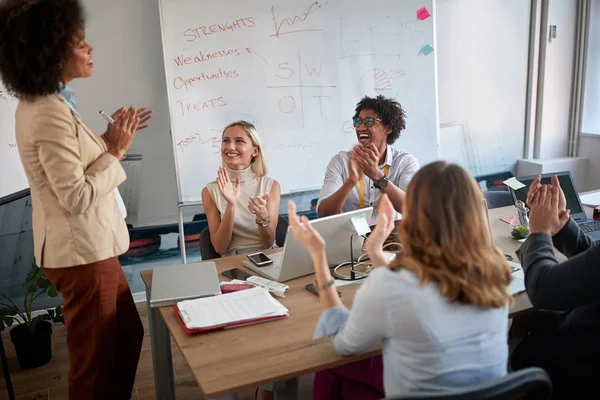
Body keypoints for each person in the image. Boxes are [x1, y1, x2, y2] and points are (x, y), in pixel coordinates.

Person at [0, 1, 152, 398]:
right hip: (82, 252)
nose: (91, 50)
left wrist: (107, 138)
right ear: (50, 51)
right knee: (94, 365)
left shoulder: (54, 100)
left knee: (125, 336)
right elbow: (76, 195)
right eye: (81, 44)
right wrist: (115, 151)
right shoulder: (46, 111)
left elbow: (75, 165)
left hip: (92, 248)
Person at [289, 161, 512, 399]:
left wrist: (318, 256)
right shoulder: (496, 270)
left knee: (332, 365)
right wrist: (375, 251)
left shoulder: (390, 286)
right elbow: (410, 293)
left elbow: (344, 344)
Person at [511, 175, 600, 399]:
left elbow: (542, 289)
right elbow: (593, 264)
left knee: (516, 347)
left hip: (580, 365)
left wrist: (539, 232)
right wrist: (560, 225)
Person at [317, 95, 419, 225]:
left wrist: (377, 176)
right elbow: (323, 214)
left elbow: (411, 209)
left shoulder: (405, 162)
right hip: (352, 240)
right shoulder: (340, 162)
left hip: (392, 240)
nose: (360, 128)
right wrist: (350, 182)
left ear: (388, 128)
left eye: (369, 121)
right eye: (358, 121)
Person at [202, 120, 281, 256]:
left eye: (239, 141)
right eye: (226, 140)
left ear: (255, 151)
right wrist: (231, 206)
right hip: (233, 260)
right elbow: (220, 248)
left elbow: (268, 243)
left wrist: (262, 217)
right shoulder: (210, 191)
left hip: (268, 256)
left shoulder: (271, 186)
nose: (230, 147)